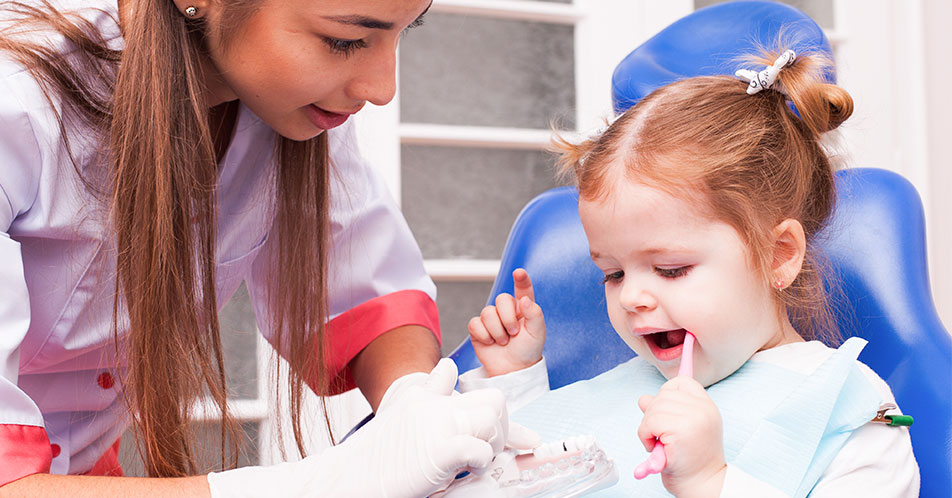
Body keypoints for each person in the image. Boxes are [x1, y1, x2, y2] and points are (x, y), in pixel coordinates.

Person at [0, 0, 526, 495]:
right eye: (345, 40)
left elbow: (369, 296)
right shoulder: (16, 104)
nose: (382, 88)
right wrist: (326, 484)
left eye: (401, 31)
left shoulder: (288, 107)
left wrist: (415, 404)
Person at [461, 46, 920, 496]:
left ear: (779, 254)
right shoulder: (631, 386)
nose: (630, 298)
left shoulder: (846, 410)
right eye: (613, 274)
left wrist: (711, 481)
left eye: (670, 269)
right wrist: (514, 382)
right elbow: (530, 481)